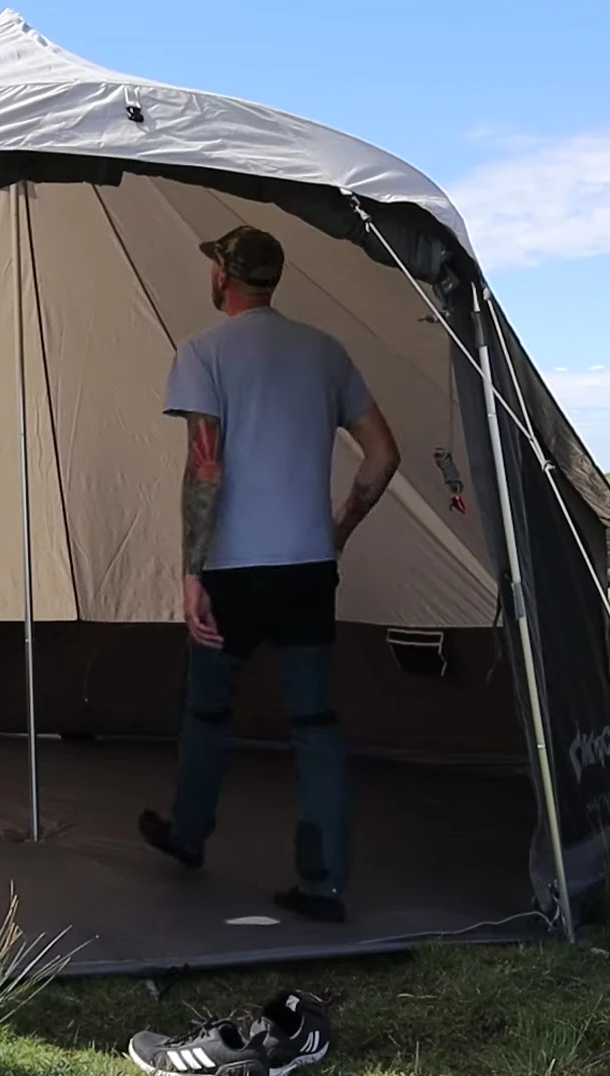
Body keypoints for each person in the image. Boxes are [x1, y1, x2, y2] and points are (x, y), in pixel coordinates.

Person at [139, 225, 402, 924]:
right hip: (309, 567)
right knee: (315, 723)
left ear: (223, 278)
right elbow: (383, 455)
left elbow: (205, 465)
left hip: (233, 568)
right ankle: (323, 885)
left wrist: (191, 570)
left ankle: (188, 836)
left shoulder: (203, 353)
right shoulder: (326, 353)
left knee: (207, 711)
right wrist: (339, 527)